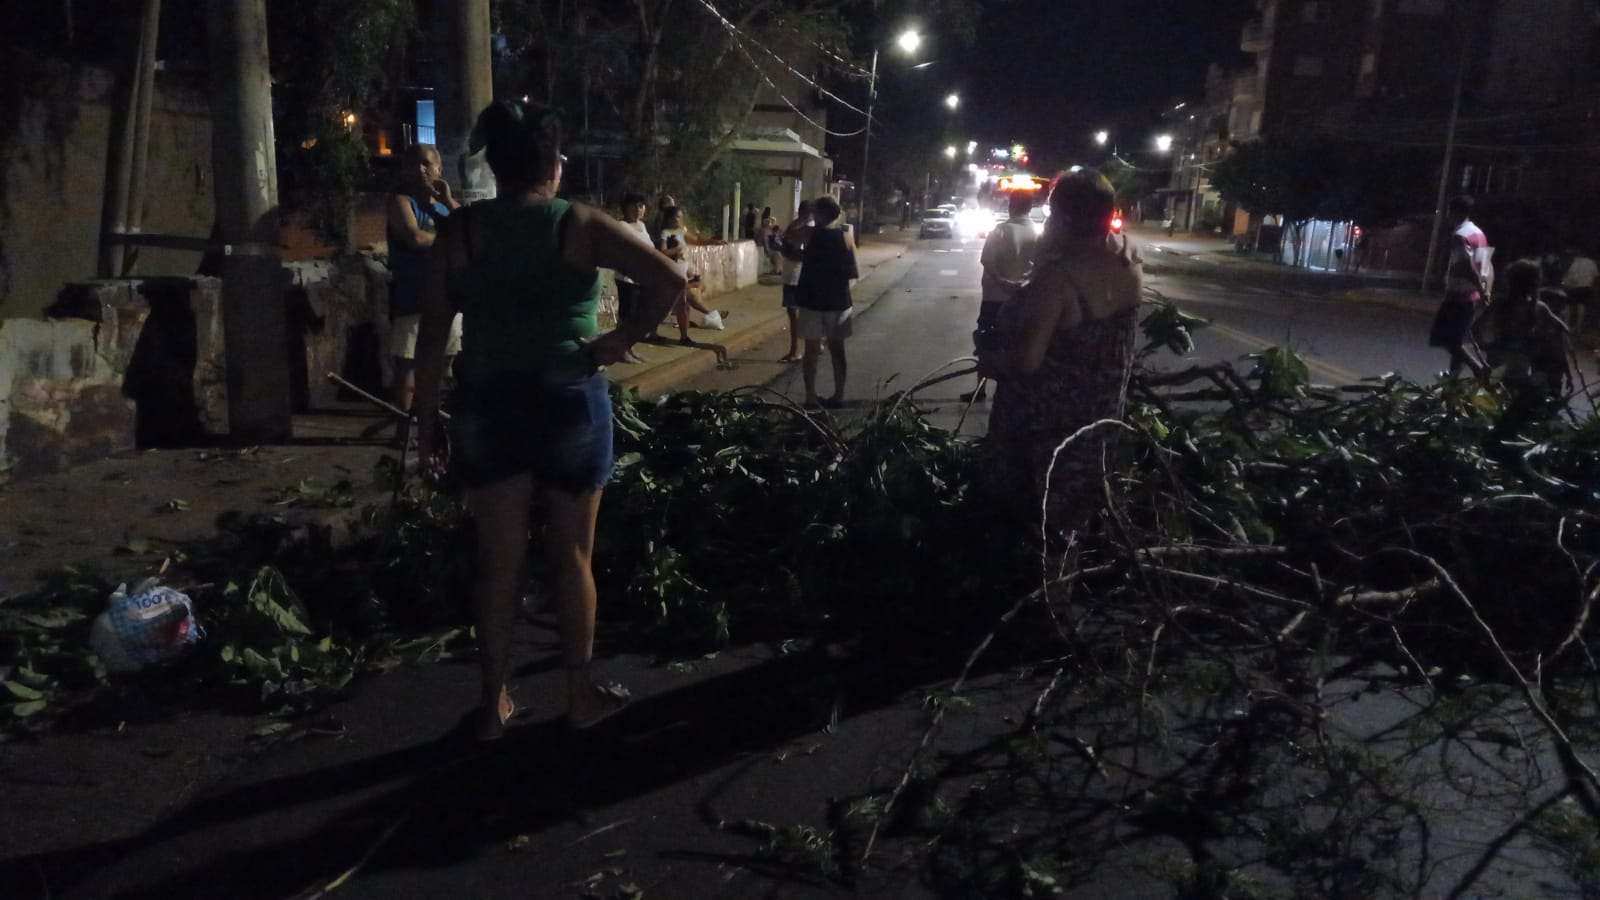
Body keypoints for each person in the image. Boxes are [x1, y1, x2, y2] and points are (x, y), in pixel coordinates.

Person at [412, 99, 685, 740]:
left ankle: (491, 706)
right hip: (568, 400)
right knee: (572, 555)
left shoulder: (461, 231)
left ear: (499, 168)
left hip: (487, 403)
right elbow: (670, 279)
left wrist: (425, 426)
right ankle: (579, 695)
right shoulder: (580, 224)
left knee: (499, 558)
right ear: (554, 167)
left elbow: (430, 338)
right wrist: (619, 341)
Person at [977, 169, 1142, 536]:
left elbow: (1025, 363)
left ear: (1064, 219)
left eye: (1052, 213)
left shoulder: (1057, 281)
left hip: (1046, 435)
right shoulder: (1129, 267)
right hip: (1097, 428)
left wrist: (989, 361)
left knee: (1033, 533)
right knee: (1075, 530)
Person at [386, 143, 461, 444]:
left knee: (446, 364)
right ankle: (403, 433)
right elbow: (414, 237)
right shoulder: (400, 201)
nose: (420, 169)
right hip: (413, 295)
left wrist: (447, 199)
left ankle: (435, 425)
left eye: (426, 164)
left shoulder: (441, 205)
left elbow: (464, 230)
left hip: (447, 296)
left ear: (438, 169)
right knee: (407, 365)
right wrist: (447, 239)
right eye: (414, 163)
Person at [963, 191, 1039, 403]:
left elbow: (987, 260)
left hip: (994, 298)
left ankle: (980, 389)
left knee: (987, 342)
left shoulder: (1001, 230)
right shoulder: (1038, 233)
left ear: (1010, 206)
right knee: (1017, 344)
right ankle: (1014, 390)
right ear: (1030, 207)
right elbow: (1042, 267)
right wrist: (1021, 285)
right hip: (1023, 299)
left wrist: (1002, 282)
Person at [795, 196, 858, 409]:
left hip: (812, 301)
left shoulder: (810, 234)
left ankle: (810, 396)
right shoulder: (846, 237)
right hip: (838, 301)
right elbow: (853, 271)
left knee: (811, 350)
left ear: (818, 213)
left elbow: (788, 236)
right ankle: (839, 394)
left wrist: (803, 218)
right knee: (837, 350)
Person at [1482, 258, 1571, 401]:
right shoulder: (1539, 307)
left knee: (1490, 400)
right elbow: (1563, 329)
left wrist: (1485, 347)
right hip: (1520, 362)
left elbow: (1474, 330)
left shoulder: (1500, 303)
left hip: (1497, 358)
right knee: (1511, 400)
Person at [1429, 195, 1494, 377]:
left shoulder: (1459, 236)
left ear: (1454, 212)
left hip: (1459, 296)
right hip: (1472, 296)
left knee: (1447, 339)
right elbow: (1486, 266)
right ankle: (1454, 381)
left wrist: (1481, 290)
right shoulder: (1479, 234)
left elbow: (1467, 267)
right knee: (1459, 339)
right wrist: (1485, 291)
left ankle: (1479, 370)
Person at [610, 193, 654, 363]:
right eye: (634, 206)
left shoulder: (642, 226)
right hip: (627, 278)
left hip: (642, 278)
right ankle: (621, 349)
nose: (638, 209)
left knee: (637, 316)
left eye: (641, 206)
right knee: (626, 315)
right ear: (625, 208)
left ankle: (630, 346)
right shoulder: (621, 225)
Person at [778, 201, 814, 363]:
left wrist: (788, 249)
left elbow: (799, 253)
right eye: (801, 211)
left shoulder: (809, 228)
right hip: (791, 275)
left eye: (805, 211)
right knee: (794, 314)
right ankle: (797, 349)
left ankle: (798, 350)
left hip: (799, 276)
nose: (802, 214)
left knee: (798, 314)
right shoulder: (796, 225)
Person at [1561, 246, 1597, 335]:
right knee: (1582, 306)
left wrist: (1564, 283)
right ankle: (1578, 327)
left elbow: (1570, 276)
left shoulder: (1575, 262)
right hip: (1587, 287)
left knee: (1568, 305)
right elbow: (1595, 275)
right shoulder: (1591, 262)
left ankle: (1566, 325)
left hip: (1575, 287)